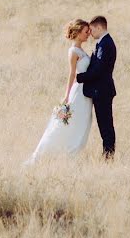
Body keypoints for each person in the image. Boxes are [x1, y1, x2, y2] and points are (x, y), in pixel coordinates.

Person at [26, 19, 94, 164]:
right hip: (78, 92)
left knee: (82, 122)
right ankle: (51, 153)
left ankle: (72, 153)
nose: (88, 34)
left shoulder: (81, 50)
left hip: (86, 93)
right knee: (67, 123)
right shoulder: (73, 51)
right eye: (86, 31)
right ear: (77, 32)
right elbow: (72, 74)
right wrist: (67, 95)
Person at [76, 16, 116, 158]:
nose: (90, 33)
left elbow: (99, 70)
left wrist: (79, 78)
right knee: (104, 125)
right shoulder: (103, 42)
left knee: (105, 126)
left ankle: (108, 156)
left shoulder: (105, 44)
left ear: (99, 28)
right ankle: (108, 154)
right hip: (100, 91)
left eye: (92, 30)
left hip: (103, 91)